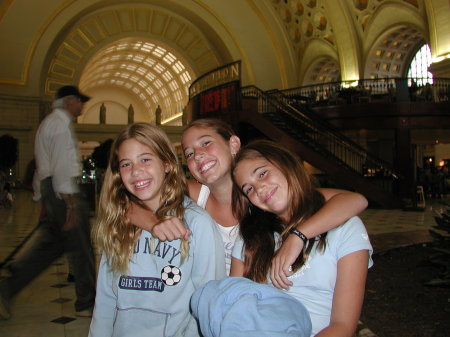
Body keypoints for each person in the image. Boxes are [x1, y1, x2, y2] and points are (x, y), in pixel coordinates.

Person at [128, 118, 368, 283]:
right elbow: (128, 204)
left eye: (206, 143)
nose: (198, 155)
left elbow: (353, 200)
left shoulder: (263, 195)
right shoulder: (194, 193)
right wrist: (153, 223)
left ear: (233, 144)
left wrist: (299, 235)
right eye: (189, 153)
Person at [88, 123, 226, 337]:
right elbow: (106, 301)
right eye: (126, 164)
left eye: (145, 159)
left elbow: (207, 299)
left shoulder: (197, 224)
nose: (136, 171)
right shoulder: (119, 225)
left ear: (167, 163)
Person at [230, 139, 373, 337]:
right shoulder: (250, 238)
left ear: (285, 164)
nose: (260, 189)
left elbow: (342, 326)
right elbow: (233, 309)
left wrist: (297, 235)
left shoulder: (345, 228)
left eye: (263, 174)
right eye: (249, 189)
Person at [0, 85, 96, 320]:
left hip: (51, 190)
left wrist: (42, 199)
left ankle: (6, 289)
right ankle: (87, 303)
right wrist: (71, 205)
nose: (82, 106)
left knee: (49, 248)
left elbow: (41, 167)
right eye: (80, 101)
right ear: (69, 101)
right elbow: (62, 166)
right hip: (65, 192)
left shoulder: (47, 123)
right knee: (83, 249)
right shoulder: (61, 125)